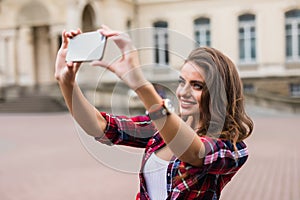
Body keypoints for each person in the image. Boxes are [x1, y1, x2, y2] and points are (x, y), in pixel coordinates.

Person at [55, 25, 253, 200]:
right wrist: (66, 83)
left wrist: (141, 86)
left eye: (197, 85)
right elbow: (101, 126)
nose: (183, 92)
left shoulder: (233, 149)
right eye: (181, 82)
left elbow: (193, 152)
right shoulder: (161, 129)